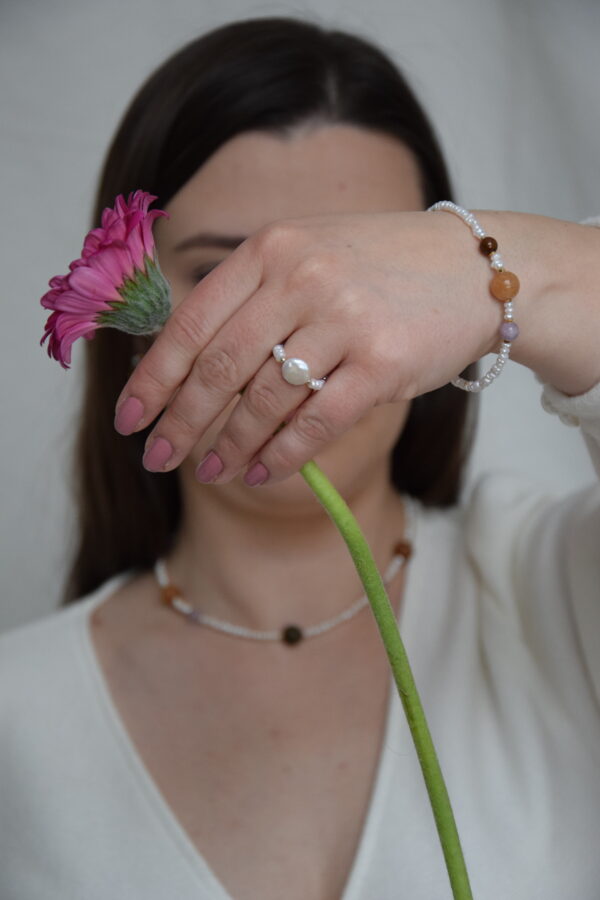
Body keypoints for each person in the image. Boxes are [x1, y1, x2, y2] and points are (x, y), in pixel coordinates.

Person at [1, 15, 599, 900]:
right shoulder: (17, 718)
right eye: (222, 275)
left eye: (361, 281)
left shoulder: (559, 594)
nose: (291, 347)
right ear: (131, 339)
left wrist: (500, 269)